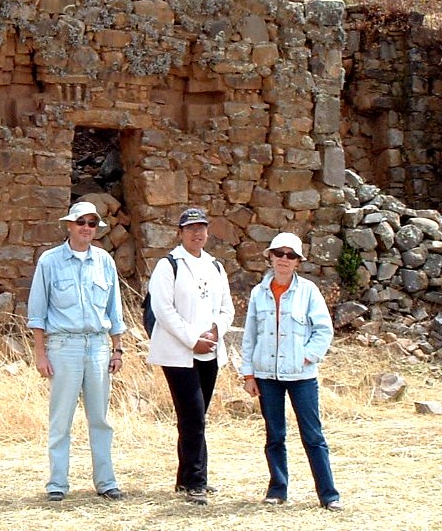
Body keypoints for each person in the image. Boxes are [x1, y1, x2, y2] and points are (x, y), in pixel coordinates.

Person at [27, 200, 127, 503]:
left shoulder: (104, 261)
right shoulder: (50, 261)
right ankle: (57, 484)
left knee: (101, 419)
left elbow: (115, 309)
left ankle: (106, 482)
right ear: (69, 225)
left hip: (97, 346)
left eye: (92, 223)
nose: (86, 228)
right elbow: (37, 311)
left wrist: (118, 348)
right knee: (61, 420)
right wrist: (40, 353)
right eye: (81, 222)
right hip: (64, 346)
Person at [240, 231, 342, 511]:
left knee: (313, 435)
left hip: (302, 377)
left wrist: (306, 357)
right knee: (275, 435)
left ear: (298, 261)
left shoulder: (309, 291)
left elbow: (323, 330)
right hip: (266, 375)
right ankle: (277, 489)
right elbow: (250, 336)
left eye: (291, 255)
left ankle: (329, 495)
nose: (284, 259)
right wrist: (248, 374)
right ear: (270, 257)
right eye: (279, 253)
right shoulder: (258, 293)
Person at [146, 206, 235, 505]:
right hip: (178, 355)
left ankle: (185, 478)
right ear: (180, 232)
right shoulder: (168, 265)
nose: (197, 233)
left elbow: (227, 308)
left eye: (202, 228)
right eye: (190, 228)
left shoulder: (215, 266)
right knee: (194, 415)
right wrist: (191, 339)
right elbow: (163, 309)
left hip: (208, 352)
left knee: (194, 417)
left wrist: (215, 331)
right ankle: (197, 481)